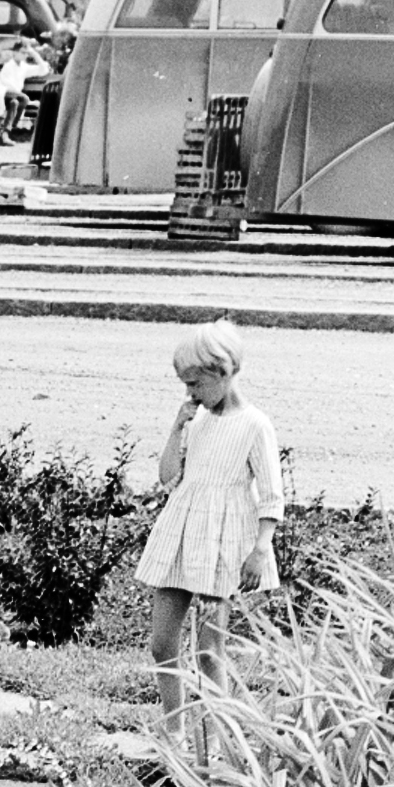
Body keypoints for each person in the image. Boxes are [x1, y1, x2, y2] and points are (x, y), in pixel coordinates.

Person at [134, 320, 283, 749]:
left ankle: (215, 740)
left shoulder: (255, 425)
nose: (190, 394)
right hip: (182, 531)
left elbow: (272, 495)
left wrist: (261, 547)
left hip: (223, 539)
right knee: (162, 641)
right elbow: (167, 478)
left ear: (222, 372)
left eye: (195, 384)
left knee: (209, 650)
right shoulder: (195, 420)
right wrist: (176, 427)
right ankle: (175, 727)